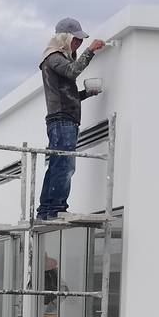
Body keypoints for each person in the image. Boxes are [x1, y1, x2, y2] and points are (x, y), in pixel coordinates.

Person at [36, 17, 105, 221]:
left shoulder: (58, 58)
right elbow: (72, 71)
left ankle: (46, 210)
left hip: (64, 120)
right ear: (64, 37)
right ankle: (56, 208)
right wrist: (91, 50)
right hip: (62, 121)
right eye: (76, 40)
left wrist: (85, 94)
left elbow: (66, 92)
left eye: (81, 41)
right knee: (64, 165)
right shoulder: (54, 58)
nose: (79, 44)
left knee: (58, 164)